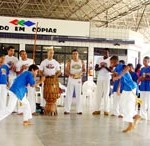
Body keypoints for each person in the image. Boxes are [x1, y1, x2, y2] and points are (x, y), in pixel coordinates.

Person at [110, 56, 141, 133]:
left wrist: (119, 75)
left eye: (111, 62)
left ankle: (130, 124)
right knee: (122, 104)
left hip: (131, 87)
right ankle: (136, 116)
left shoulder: (120, 65)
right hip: (125, 89)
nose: (111, 64)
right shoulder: (116, 69)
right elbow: (121, 79)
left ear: (115, 62)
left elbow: (128, 67)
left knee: (128, 105)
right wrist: (118, 87)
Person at [39, 47, 61, 115]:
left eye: (52, 53)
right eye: (50, 53)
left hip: (53, 81)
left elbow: (59, 72)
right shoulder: (44, 62)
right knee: (45, 94)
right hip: (46, 81)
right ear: (47, 53)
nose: (51, 54)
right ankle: (44, 108)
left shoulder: (55, 62)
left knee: (53, 95)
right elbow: (40, 71)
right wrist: (43, 76)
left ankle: (53, 108)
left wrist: (55, 76)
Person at [64, 49, 85, 114]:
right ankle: (67, 110)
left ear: (78, 54)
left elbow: (84, 70)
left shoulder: (81, 62)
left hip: (78, 79)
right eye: (73, 54)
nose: (75, 55)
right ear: (72, 55)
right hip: (71, 79)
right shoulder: (70, 62)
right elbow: (66, 71)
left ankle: (79, 110)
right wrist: (71, 74)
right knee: (69, 94)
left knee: (78, 95)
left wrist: (80, 73)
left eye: (76, 53)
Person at [16, 50, 36, 115]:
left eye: (25, 54)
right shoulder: (18, 63)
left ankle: (32, 110)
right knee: (21, 95)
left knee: (31, 95)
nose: (24, 55)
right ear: (20, 55)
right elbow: (17, 73)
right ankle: (20, 110)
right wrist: (22, 68)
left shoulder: (31, 61)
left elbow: (35, 71)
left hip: (30, 80)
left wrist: (33, 76)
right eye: (22, 54)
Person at [93, 48, 111, 116]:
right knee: (98, 94)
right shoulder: (99, 59)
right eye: (104, 52)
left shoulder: (110, 60)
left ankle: (106, 110)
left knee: (106, 94)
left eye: (107, 53)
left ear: (108, 53)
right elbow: (96, 69)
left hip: (107, 78)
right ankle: (97, 110)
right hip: (100, 78)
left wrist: (105, 67)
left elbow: (110, 70)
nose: (105, 54)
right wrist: (102, 67)